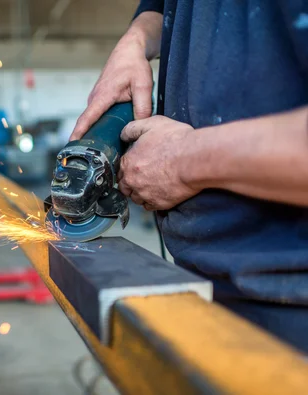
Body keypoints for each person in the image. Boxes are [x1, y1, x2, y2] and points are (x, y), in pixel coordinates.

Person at [71, 2, 308, 353]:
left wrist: (184, 160)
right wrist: (135, 40)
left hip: (288, 304)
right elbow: (162, 7)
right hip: (199, 279)